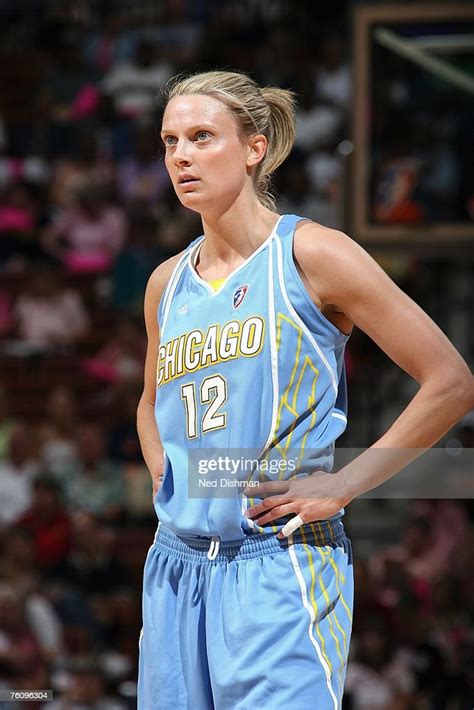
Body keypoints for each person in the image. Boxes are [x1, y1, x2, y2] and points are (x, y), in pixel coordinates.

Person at [136, 70, 474, 709]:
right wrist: (160, 462)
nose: (180, 155)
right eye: (169, 140)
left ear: (255, 146)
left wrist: (345, 482)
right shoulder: (166, 283)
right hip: (176, 567)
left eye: (202, 137)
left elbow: (450, 381)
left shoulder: (314, 254)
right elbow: (150, 399)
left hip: (278, 562)